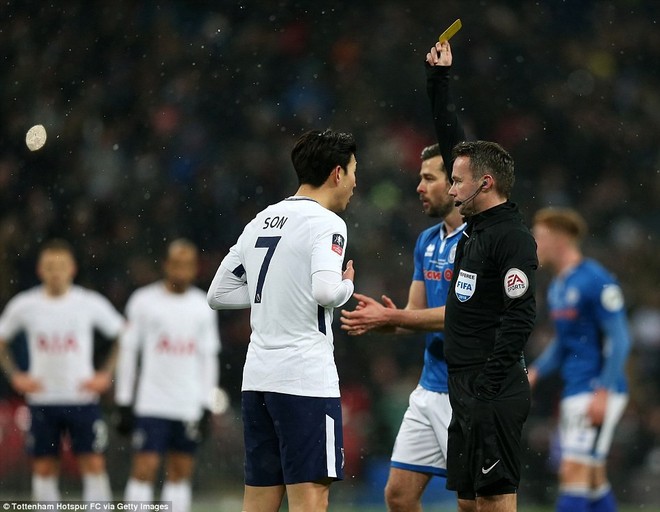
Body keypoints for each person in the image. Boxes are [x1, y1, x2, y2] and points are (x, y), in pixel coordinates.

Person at [340, 40, 465, 512]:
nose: (418, 186)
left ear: (457, 183)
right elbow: (415, 315)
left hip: (469, 391)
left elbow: (458, 317)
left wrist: (400, 322)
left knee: (476, 504)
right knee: (398, 496)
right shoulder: (427, 241)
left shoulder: (482, 241)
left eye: (429, 177)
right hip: (430, 385)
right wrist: (384, 320)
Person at [207, 128, 357, 512]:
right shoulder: (327, 223)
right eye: (355, 171)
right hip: (304, 380)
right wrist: (347, 287)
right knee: (311, 496)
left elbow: (218, 294)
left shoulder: (261, 219)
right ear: (337, 173)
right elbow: (325, 292)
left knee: (260, 497)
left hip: (257, 380)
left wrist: (270, 290)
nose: (356, 182)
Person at [442, 139, 538, 512]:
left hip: (490, 387)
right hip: (465, 384)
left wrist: (489, 382)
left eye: (457, 180)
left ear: (485, 183)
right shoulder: (474, 233)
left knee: (495, 500)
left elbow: (521, 315)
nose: (450, 189)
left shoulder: (512, 237)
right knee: (469, 502)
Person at [0, 239, 125, 502]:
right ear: (40, 270)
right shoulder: (25, 305)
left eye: (60, 266)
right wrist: (15, 376)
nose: (55, 272)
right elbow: (2, 338)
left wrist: (106, 375)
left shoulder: (88, 303)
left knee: (92, 464)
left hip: (81, 398)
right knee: (44, 467)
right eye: (49, 266)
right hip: (43, 399)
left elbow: (123, 334)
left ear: (72, 269)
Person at [528, 207, 631, 512]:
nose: (535, 243)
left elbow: (621, 338)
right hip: (576, 387)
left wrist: (603, 391)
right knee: (593, 479)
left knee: (572, 471)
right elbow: (564, 344)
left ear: (561, 239)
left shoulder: (595, 279)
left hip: (595, 388)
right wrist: (535, 371)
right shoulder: (559, 287)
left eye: (540, 236)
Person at [114, 238, 221, 512]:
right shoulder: (143, 301)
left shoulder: (203, 305)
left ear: (195, 268)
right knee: (144, 467)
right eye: (176, 264)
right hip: (152, 401)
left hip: (187, 404)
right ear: (166, 265)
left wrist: (207, 404)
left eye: (187, 265)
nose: (181, 270)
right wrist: (124, 400)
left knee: (180, 470)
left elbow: (208, 358)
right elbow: (128, 352)